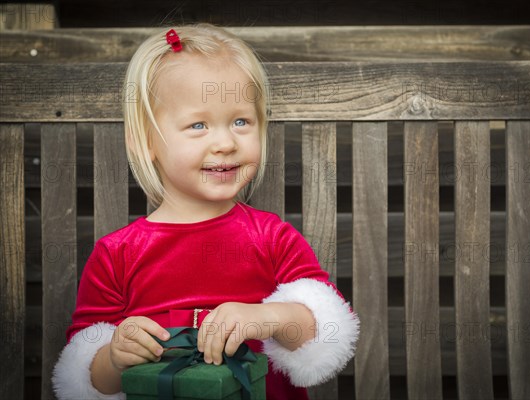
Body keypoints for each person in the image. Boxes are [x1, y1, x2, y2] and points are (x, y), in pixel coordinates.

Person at [52, 24, 359, 400]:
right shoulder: (117, 255)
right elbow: (86, 379)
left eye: (241, 121)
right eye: (198, 125)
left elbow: (322, 331)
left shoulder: (271, 237)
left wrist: (266, 318)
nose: (226, 143)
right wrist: (114, 358)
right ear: (145, 141)